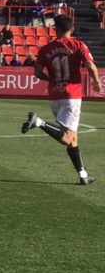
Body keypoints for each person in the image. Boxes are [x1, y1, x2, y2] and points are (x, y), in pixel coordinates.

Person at [21, 14, 99, 185]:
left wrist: (51, 79)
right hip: (71, 95)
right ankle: (39, 122)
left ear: (55, 29)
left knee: (73, 139)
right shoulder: (78, 45)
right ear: (71, 29)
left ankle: (83, 175)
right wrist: (97, 82)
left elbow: (37, 73)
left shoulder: (45, 49)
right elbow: (91, 66)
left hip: (55, 96)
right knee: (67, 137)